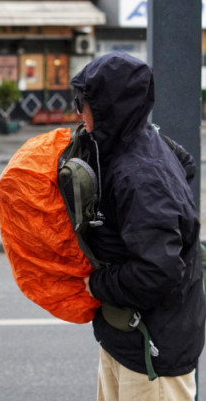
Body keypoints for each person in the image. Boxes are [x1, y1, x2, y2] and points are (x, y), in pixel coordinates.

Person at [71, 51, 206, 400]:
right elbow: (186, 167)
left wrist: (96, 284)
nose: (78, 113)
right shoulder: (128, 145)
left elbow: (157, 272)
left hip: (151, 353)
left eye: (82, 103)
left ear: (107, 109)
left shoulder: (141, 175)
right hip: (126, 338)